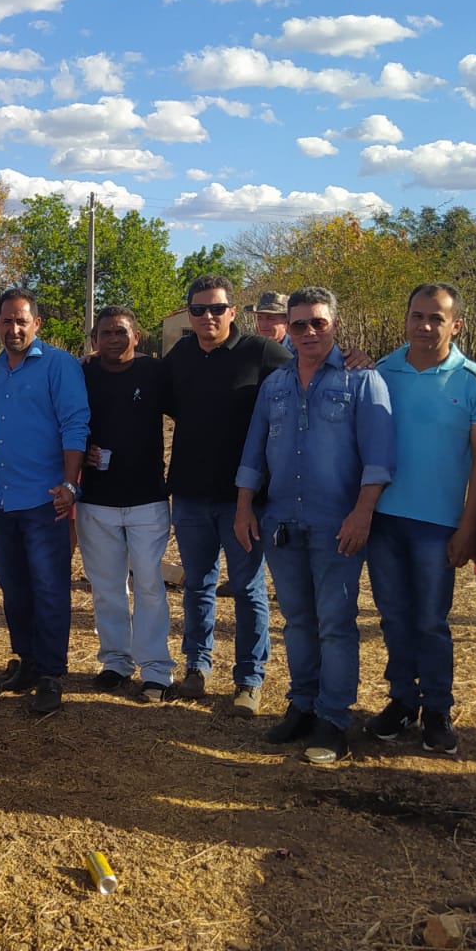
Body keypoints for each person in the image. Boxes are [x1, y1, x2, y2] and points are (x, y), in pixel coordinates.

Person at [234, 286, 394, 764]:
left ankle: (334, 719)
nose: (308, 332)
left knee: (336, 625)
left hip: (337, 524)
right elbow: (253, 450)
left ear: (334, 325)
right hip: (282, 521)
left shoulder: (363, 380)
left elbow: (379, 457)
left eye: (318, 322)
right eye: (299, 323)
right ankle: (302, 704)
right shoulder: (275, 384)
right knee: (297, 621)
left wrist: (363, 512)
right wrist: (244, 507)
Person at [363, 283, 476, 756]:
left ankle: (438, 708)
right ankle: (402, 700)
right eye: (417, 316)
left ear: (455, 324)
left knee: (430, 621)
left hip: (439, 524)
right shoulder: (382, 372)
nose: (424, 326)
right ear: (406, 319)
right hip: (384, 519)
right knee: (393, 617)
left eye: (436, 317)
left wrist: (470, 525)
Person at [158, 276, 291, 715]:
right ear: (189, 314)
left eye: (217, 308)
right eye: (198, 310)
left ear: (233, 311)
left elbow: (310, 374)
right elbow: (158, 396)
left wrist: (352, 360)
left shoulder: (263, 353)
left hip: (244, 500)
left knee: (249, 590)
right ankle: (196, 667)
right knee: (197, 584)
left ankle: (249, 679)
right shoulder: (180, 355)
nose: (208, 317)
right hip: (190, 494)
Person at [0, 288, 91, 715]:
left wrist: (69, 484)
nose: (14, 328)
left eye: (22, 321)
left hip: (46, 500)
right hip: (0, 499)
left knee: (49, 589)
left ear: (37, 324)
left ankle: (51, 674)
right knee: (14, 588)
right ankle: (26, 661)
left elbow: (75, 423)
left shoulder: (59, 365)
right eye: (7, 321)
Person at [79, 306, 173, 700]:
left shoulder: (156, 373)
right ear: (94, 340)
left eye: (121, 332)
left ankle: (156, 669)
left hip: (147, 498)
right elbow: (66, 421)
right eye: (106, 333)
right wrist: (82, 450)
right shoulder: (82, 374)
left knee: (149, 584)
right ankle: (116, 661)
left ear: (137, 336)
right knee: (107, 587)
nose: (114, 339)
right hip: (96, 500)